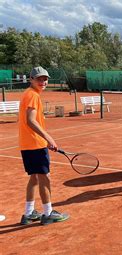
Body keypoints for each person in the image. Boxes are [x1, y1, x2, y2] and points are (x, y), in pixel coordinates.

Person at [19, 66, 69, 225]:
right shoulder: (33, 95)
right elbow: (31, 120)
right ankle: (48, 214)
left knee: (34, 177)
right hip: (34, 145)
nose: (43, 82)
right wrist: (48, 138)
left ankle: (29, 213)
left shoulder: (27, 94)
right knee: (44, 178)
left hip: (28, 144)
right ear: (31, 79)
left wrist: (43, 141)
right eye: (39, 79)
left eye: (45, 79)